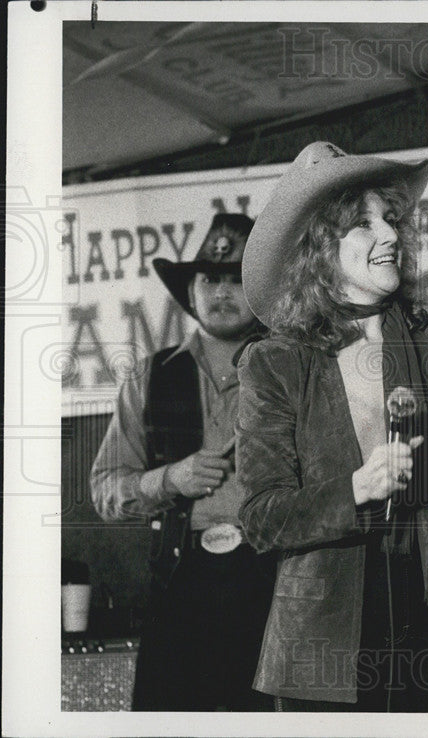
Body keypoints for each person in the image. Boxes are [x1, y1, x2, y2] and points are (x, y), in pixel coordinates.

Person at [236, 141, 428, 712]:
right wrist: (357, 489)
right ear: (316, 248)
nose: (390, 235)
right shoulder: (275, 362)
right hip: (331, 647)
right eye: (363, 225)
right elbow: (261, 519)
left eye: (389, 219)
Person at [91, 213, 275, 711]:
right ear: (190, 292)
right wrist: (170, 478)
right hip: (178, 585)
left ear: (262, 288)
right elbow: (105, 488)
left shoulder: (292, 373)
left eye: (237, 278)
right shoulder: (149, 377)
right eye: (210, 278)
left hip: (272, 586)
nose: (222, 291)